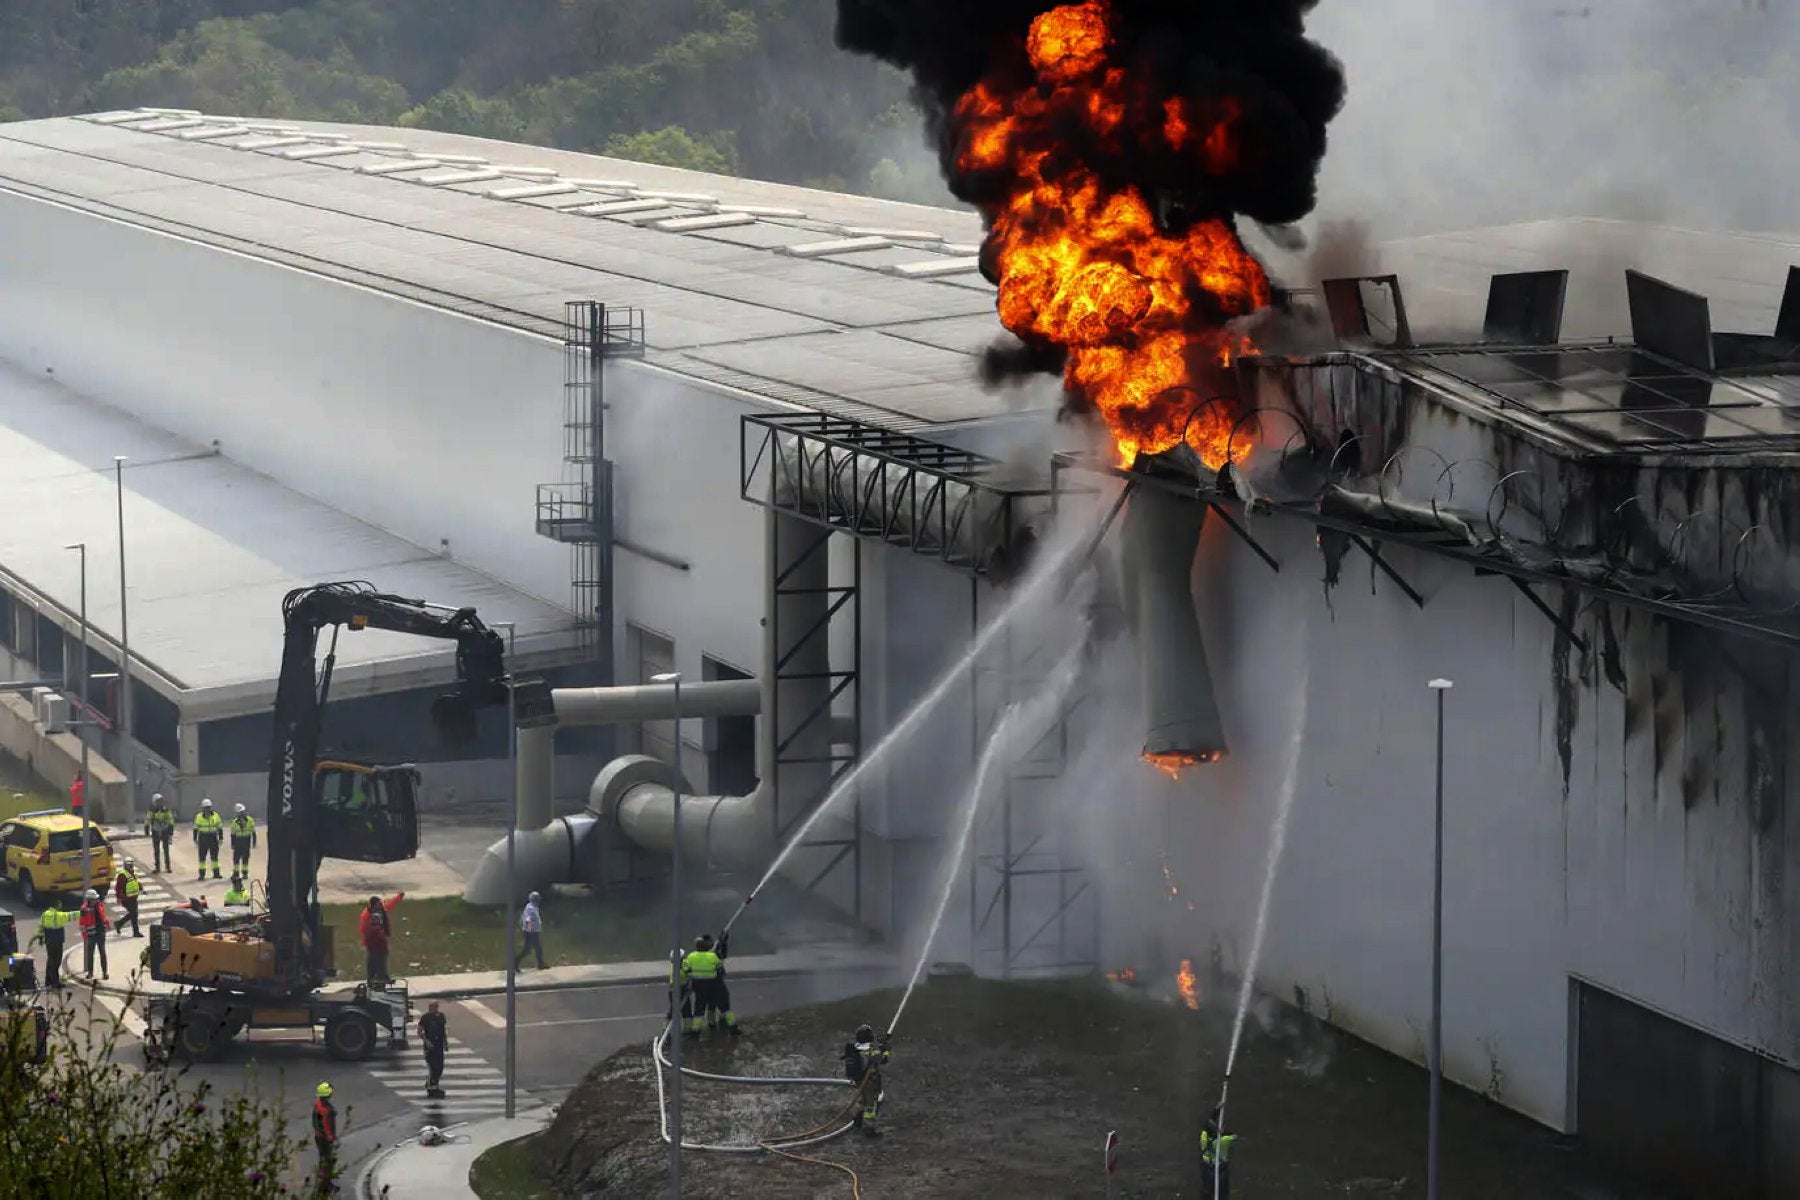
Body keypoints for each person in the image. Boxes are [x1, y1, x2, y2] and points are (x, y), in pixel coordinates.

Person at [682, 932, 740, 1037]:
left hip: (700, 988)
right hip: (715, 986)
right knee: (725, 1008)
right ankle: (733, 1028)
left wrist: (689, 983)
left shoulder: (691, 957)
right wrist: (723, 943)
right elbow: (721, 968)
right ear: (708, 945)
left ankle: (696, 1032)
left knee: (699, 1011)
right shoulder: (713, 957)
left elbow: (685, 970)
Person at [841, 1023, 892, 1136]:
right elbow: (883, 1060)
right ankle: (869, 1130)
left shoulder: (856, 1048)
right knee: (871, 1105)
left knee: (863, 1100)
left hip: (859, 1081)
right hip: (869, 1082)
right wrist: (887, 1049)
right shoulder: (871, 1051)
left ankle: (858, 1120)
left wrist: (881, 1047)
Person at [359, 892, 403, 987]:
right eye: (378, 904)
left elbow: (389, 905)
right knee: (373, 966)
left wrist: (398, 897)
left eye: (380, 904)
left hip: (381, 944)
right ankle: (374, 982)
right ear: (373, 905)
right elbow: (365, 930)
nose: (380, 906)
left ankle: (382, 979)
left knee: (381, 965)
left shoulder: (381, 909)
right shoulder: (366, 916)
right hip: (372, 945)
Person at [32, 903, 78, 989]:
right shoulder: (59, 915)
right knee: (56, 961)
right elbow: (71, 915)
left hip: (49, 941)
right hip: (57, 941)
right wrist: (82, 912)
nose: (61, 906)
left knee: (50, 959)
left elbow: (41, 926)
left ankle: (48, 980)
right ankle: (55, 982)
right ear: (56, 906)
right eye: (60, 904)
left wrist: (41, 937)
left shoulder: (45, 914)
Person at [1199, 1107, 1237, 1199]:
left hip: (1207, 1169)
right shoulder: (1224, 1141)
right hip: (1220, 1171)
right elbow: (1234, 1136)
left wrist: (1216, 1111)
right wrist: (1222, 1131)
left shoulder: (1203, 1136)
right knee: (1222, 1194)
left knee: (1207, 1191)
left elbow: (1208, 1122)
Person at [312, 1081, 338, 1195]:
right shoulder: (327, 1109)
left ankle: (324, 1181)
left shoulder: (317, 1105)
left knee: (323, 1158)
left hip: (318, 1136)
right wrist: (331, 1138)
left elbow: (316, 1122)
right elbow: (328, 1125)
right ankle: (325, 1184)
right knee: (328, 1160)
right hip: (325, 1138)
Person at [78, 889, 110, 980]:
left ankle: (105, 973)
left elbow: (103, 916)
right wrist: (85, 935)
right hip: (91, 935)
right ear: (89, 899)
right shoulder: (84, 909)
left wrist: (107, 924)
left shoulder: (99, 905)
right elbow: (82, 923)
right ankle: (90, 973)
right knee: (90, 954)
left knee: (102, 953)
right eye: (94, 899)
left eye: (96, 899)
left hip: (100, 933)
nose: (96, 900)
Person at [418, 1001, 448, 1098]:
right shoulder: (425, 1017)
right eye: (433, 1006)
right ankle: (431, 1087)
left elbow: (443, 1030)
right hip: (430, 1046)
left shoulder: (441, 1016)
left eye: (436, 1006)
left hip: (439, 1044)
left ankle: (434, 1084)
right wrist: (426, 1041)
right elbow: (419, 1031)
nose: (435, 1008)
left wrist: (445, 1043)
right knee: (433, 1066)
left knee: (440, 1066)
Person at [192, 798, 224, 881]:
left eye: (208, 807)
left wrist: (221, 837)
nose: (207, 809)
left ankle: (216, 873)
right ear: (202, 808)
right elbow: (195, 828)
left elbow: (219, 827)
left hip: (213, 837)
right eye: (205, 807)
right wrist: (195, 838)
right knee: (202, 857)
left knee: (214, 857)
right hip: (203, 838)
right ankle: (202, 875)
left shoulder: (215, 815)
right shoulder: (199, 817)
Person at [515, 891, 545, 970]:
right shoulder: (531, 908)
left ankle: (541, 964)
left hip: (533, 931)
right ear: (535, 899)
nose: (539, 900)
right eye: (537, 898)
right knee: (528, 950)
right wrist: (529, 932)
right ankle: (515, 963)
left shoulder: (531, 906)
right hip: (531, 932)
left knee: (538, 948)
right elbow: (527, 920)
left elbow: (522, 918)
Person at [145, 794, 175, 872]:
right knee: (156, 850)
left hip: (165, 831)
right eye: (158, 801)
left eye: (161, 801)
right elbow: (148, 819)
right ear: (154, 802)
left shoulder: (165, 809)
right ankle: (157, 867)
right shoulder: (152, 810)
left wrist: (170, 831)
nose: (160, 802)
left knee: (166, 850)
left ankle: (168, 867)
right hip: (155, 831)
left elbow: (170, 819)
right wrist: (147, 830)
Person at [113, 860, 143, 938]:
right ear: (125, 866)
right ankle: (136, 932)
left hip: (133, 898)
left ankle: (119, 924)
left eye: (131, 865)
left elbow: (135, 882)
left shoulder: (132, 873)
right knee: (134, 915)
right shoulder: (123, 875)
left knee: (133, 914)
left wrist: (141, 888)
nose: (131, 866)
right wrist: (119, 897)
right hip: (126, 899)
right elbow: (118, 887)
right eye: (129, 865)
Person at [228, 803, 257, 875]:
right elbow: (233, 834)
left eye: (241, 812)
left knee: (245, 858)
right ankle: (236, 873)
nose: (240, 814)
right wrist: (233, 844)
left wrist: (254, 842)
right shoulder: (234, 822)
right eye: (239, 813)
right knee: (236, 859)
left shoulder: (250, 820)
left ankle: (245, 873)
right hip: (238, 841)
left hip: (246, 840)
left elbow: (253, 832)